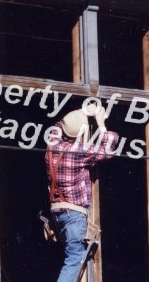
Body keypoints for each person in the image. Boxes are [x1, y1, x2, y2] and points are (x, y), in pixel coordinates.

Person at [45, 104, 119, 282]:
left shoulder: (51, 144)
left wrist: (83, 113)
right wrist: (100, 122)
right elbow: (110, 147)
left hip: (57, 212)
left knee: (70, 254)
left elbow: (58, 125)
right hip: (74, 214)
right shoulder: (79, 151)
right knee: (75, 258)